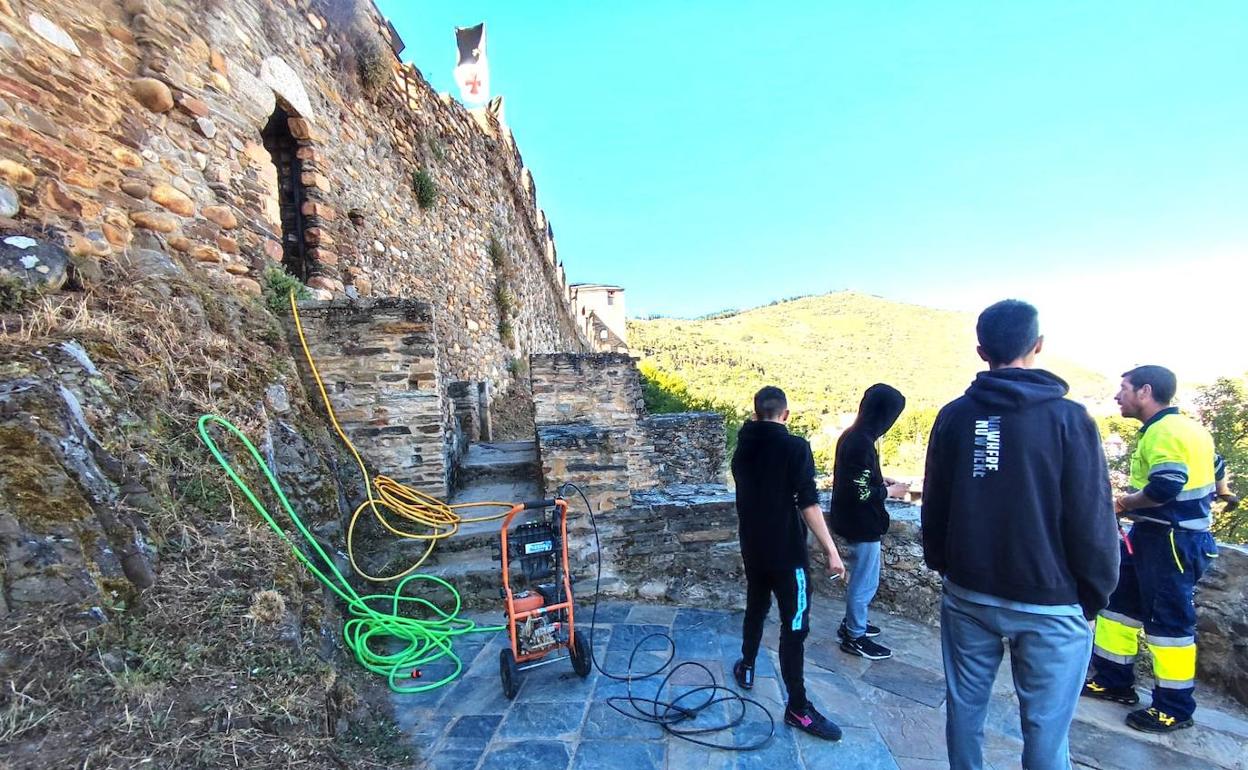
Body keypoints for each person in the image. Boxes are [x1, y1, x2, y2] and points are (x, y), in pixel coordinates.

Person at [922, 299, 1120, 770]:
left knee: (965, 713)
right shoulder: (1070, 420)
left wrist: (947, 566)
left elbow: (937, 504)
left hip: (969, 593)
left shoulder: (955, 416)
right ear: (1038, 346)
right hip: (1050, 603)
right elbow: (1092, 517)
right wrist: (1093, 595)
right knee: (1046, 732)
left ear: (980, 350)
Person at [1082, 365, 1220, 733]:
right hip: (1155, 536)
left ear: (1145, 391)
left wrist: (1123, 504)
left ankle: (1174, 707)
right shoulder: (1189, 428)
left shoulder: (1164, 431)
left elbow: (1166, 486)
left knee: (1169, 625)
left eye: (1123, 388)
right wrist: (1225, 493)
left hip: (1170, 540)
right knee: (1118, 608)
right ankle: (1113, 680)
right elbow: (1216, 465)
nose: (1117, 395)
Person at [731, 385, 847, 741]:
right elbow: (807, 503)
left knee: (756, 607)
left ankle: (747, 664)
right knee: (794, 628)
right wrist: (831, 550)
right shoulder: (795, 447)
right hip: (788, 557)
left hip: (754, 549)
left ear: (755, 413)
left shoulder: (743, 448)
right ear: (786, 415)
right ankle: (798, 707)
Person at [830, 383, 909, 660]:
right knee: (864, 583)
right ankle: (854, 635)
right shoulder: (862, 443)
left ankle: (853, 623)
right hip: (862, 524)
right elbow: (860, 492)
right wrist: (891, 491)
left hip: (850, 519)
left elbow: (857, 478)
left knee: (861, 581)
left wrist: (879, 479)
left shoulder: (853, 436)